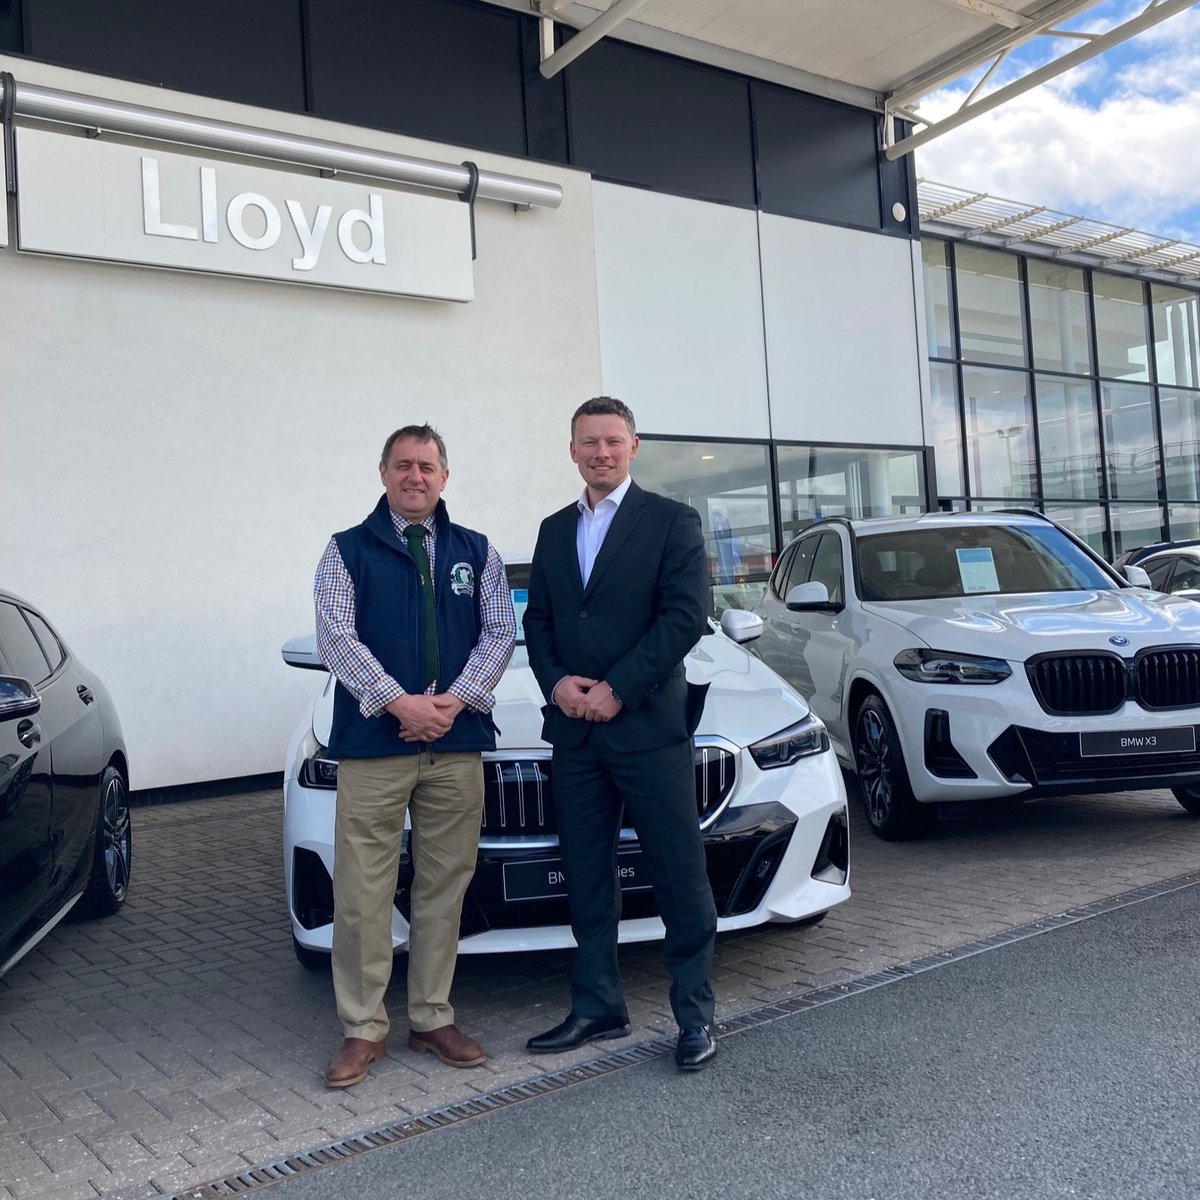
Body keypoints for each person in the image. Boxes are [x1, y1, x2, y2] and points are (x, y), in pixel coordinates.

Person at [313, 424, 515, 1087]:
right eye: (403, 465)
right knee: (363, 894)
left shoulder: (476, 551)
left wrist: (452, 704)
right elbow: (337, 638)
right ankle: (362, 1028)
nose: (415, 476)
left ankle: (431, 1017)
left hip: (456, 743)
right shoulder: (345, 552)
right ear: (383, 473)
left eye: (427, 466)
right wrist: (401, 704)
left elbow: (499, 632)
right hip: (375, 745)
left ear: (445, 477)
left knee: (442, 887)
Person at [522, 396, 719, 1072]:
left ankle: (694, 1014)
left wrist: (616, 688)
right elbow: (539, 621)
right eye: (588, 442)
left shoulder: (671, 521)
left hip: (647, 730)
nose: (600, 453)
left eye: (612, 441)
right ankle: (598, 1005)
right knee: (585, 874)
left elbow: (685, 616)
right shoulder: (552, 531)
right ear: (571, 449)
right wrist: (557, 684)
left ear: (633, 446)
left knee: (677, 873)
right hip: (575, 735)